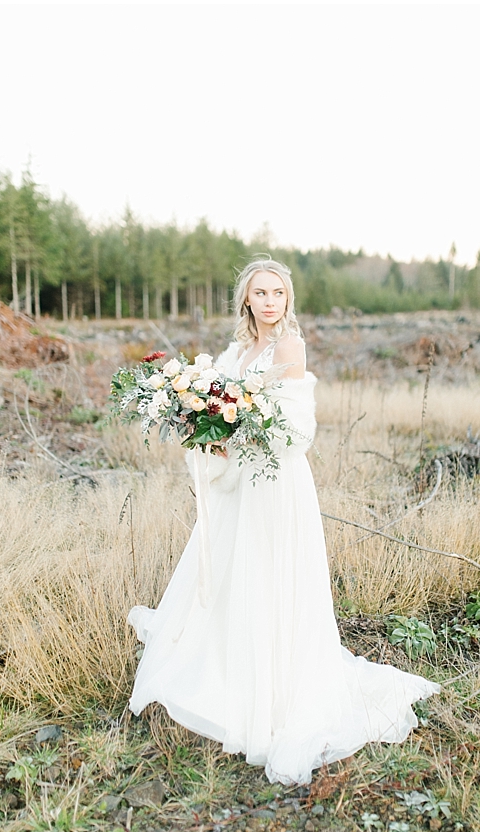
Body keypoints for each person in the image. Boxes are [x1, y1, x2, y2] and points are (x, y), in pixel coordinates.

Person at [127, 258, 439, 786]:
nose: (271, 301)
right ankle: (228, 669)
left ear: (287, 299)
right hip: (239, 483)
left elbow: (296, 428)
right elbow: (221, 403)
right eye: (260, 293)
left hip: (276, 481)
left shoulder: (288, 348)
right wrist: (207, 427)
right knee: (233, 573)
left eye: (278, 292)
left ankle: (274, 689)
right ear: (246, 300)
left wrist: (242, 423)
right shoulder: (235, 352)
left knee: (270, 575)